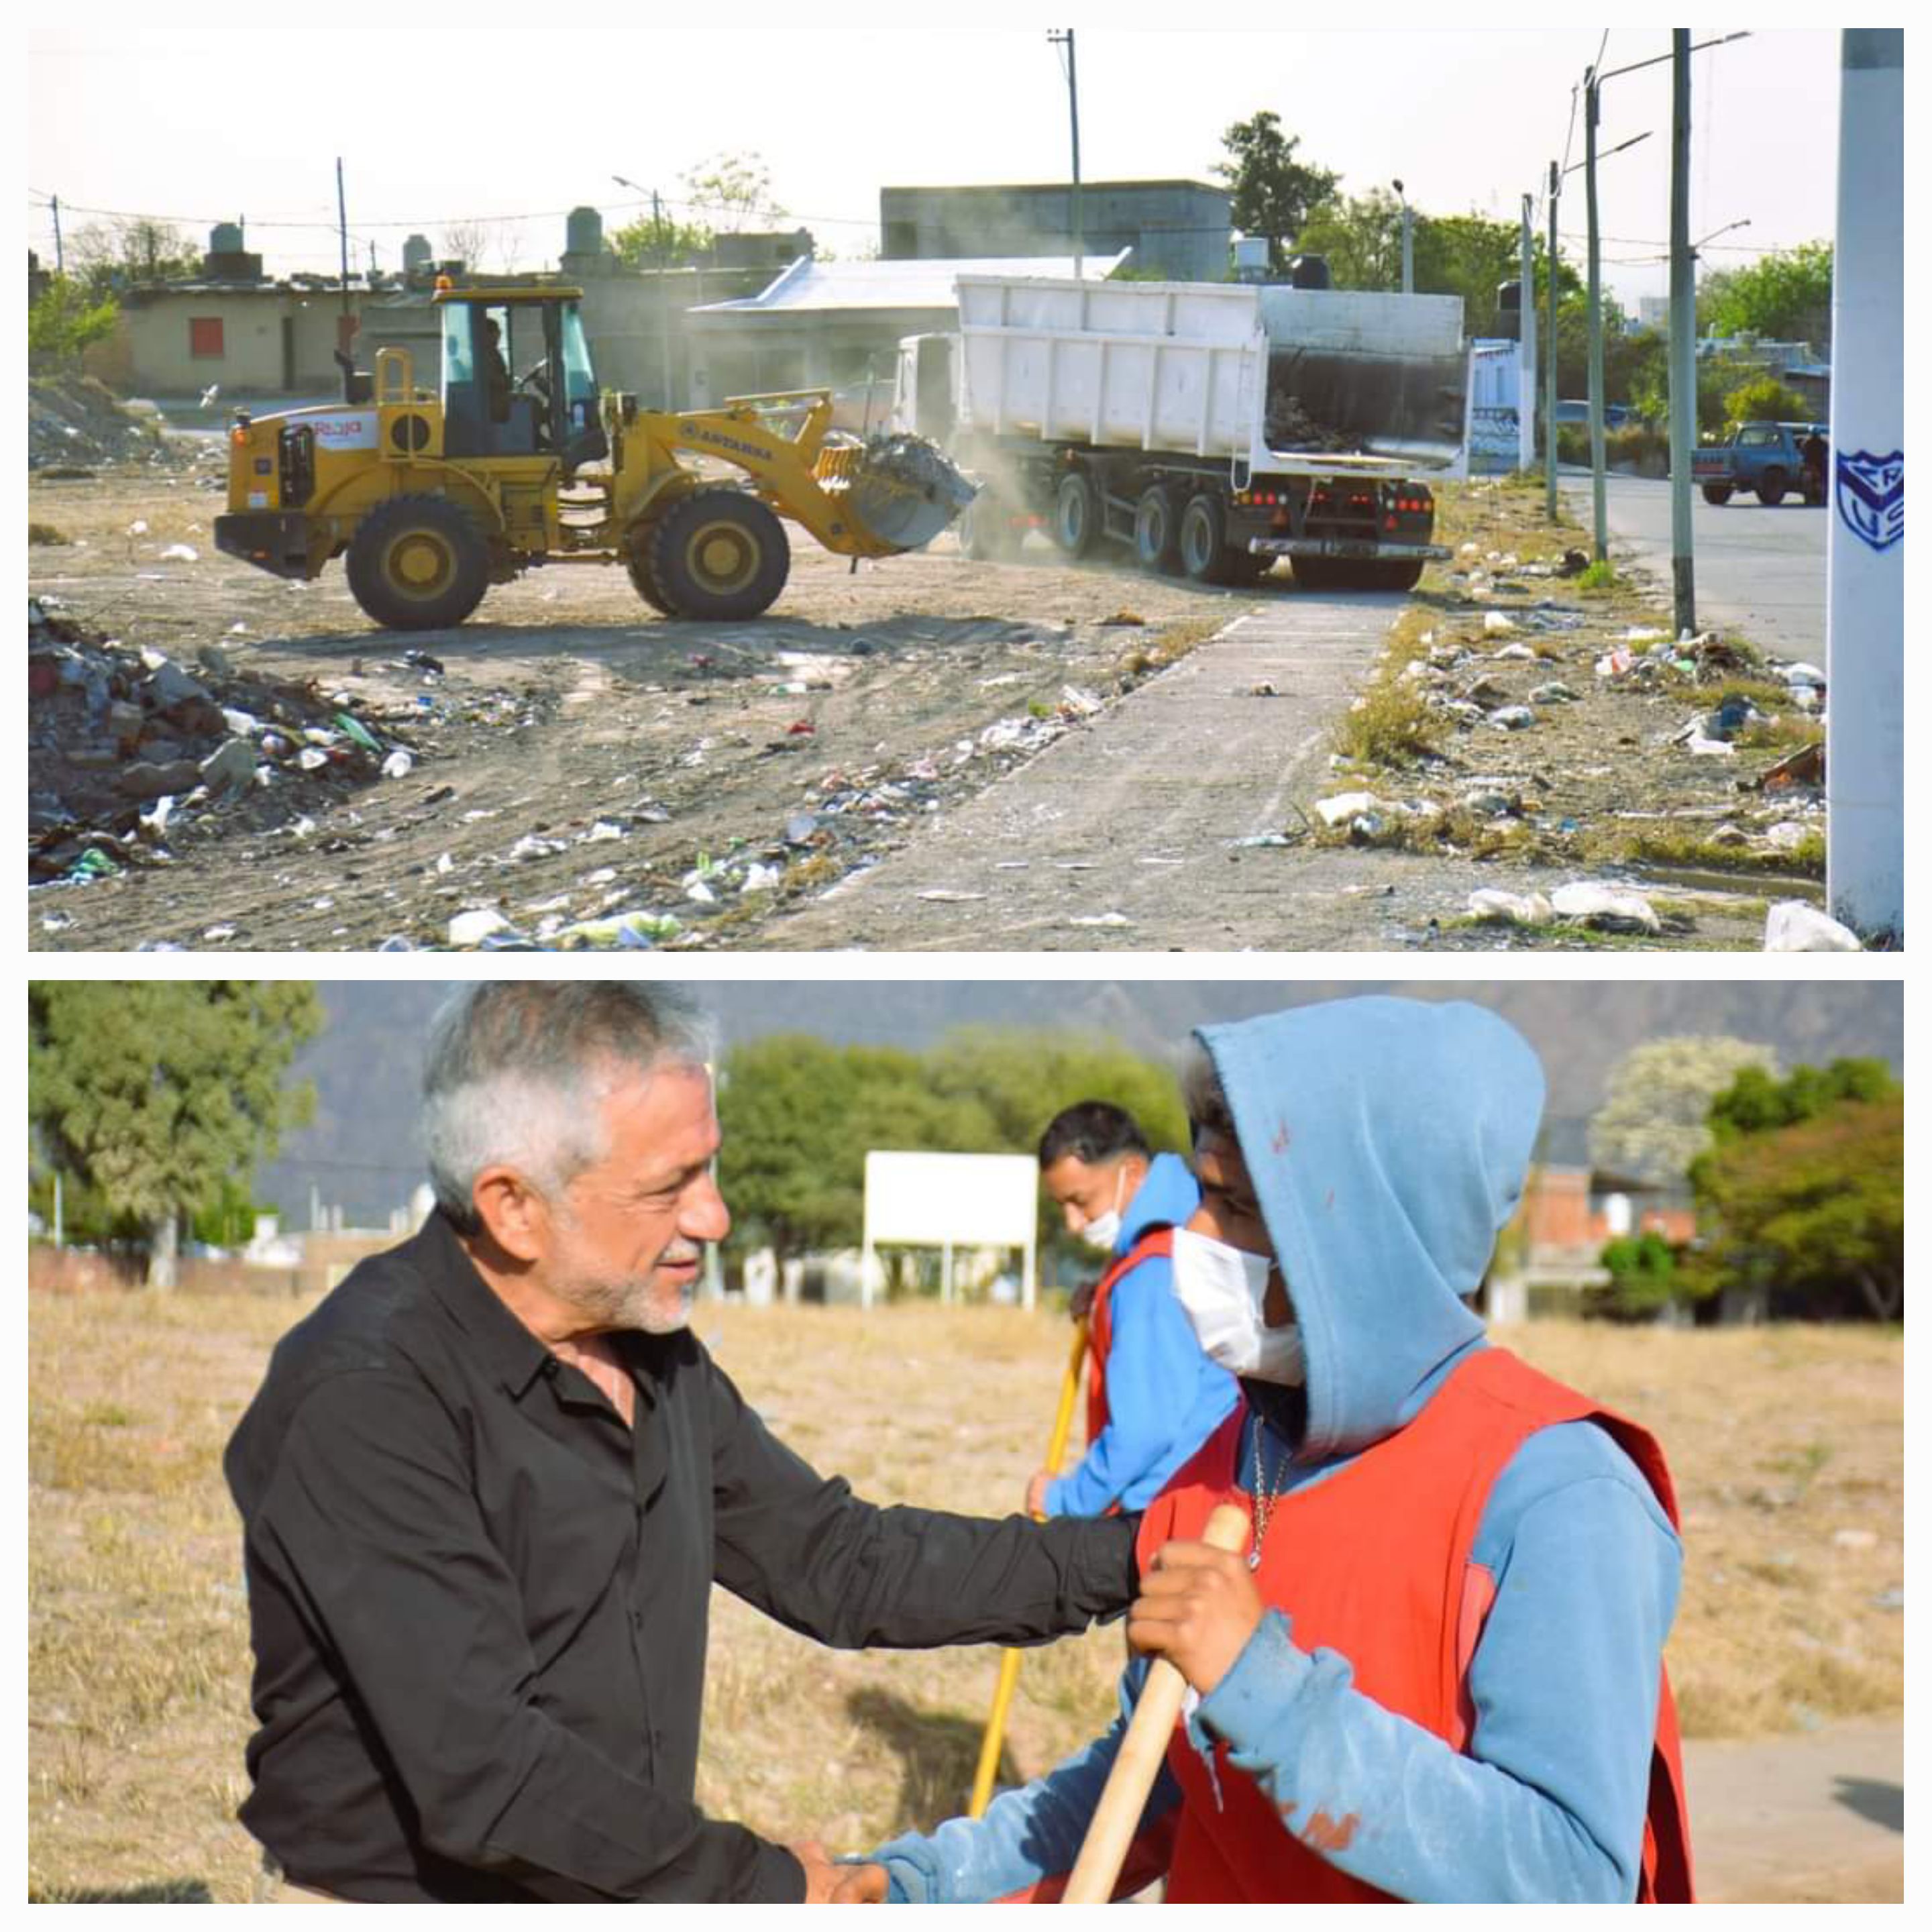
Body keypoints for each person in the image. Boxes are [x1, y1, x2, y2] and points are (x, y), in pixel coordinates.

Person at [222, 983, 1140, 1904]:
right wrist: (771, 1891)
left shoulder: (651, 1357)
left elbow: (837, 1560)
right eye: (671, 1187)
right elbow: (488, 1777)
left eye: (710, 1169)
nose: (715, 1217)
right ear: (514, 1207)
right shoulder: (369, 1397)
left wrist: (1127, 1556)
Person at [860, 996, 1694, 1903]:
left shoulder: (1555, 1492)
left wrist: (1270, 1696)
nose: (1196, 1238)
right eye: (1204, 1196)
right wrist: (917, 1886)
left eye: (1236, 1207)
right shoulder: (1233, 1458)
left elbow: (1571, 1876)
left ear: (1362, 1243)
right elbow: (1152, 1782)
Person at [1030, 1103, 1238, 1521]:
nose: (1073, 1223)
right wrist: (1107, 1294)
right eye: (1061, 1206)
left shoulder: (1153, 1274)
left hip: (1166, 1508)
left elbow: (1144, 1431)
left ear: (1134, 1173)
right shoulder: (1186, 1227)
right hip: (1210, 1489)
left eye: (1080, 1201)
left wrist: (1062, 1499)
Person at [478, 313, 511, 424]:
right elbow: (493, 378)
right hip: (493, 400)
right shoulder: (485, 355)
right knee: (532, 405)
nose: (499, 335)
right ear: (488, 334)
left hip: (496, 396)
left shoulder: (492, 352)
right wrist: (506, 381)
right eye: (497, 332)